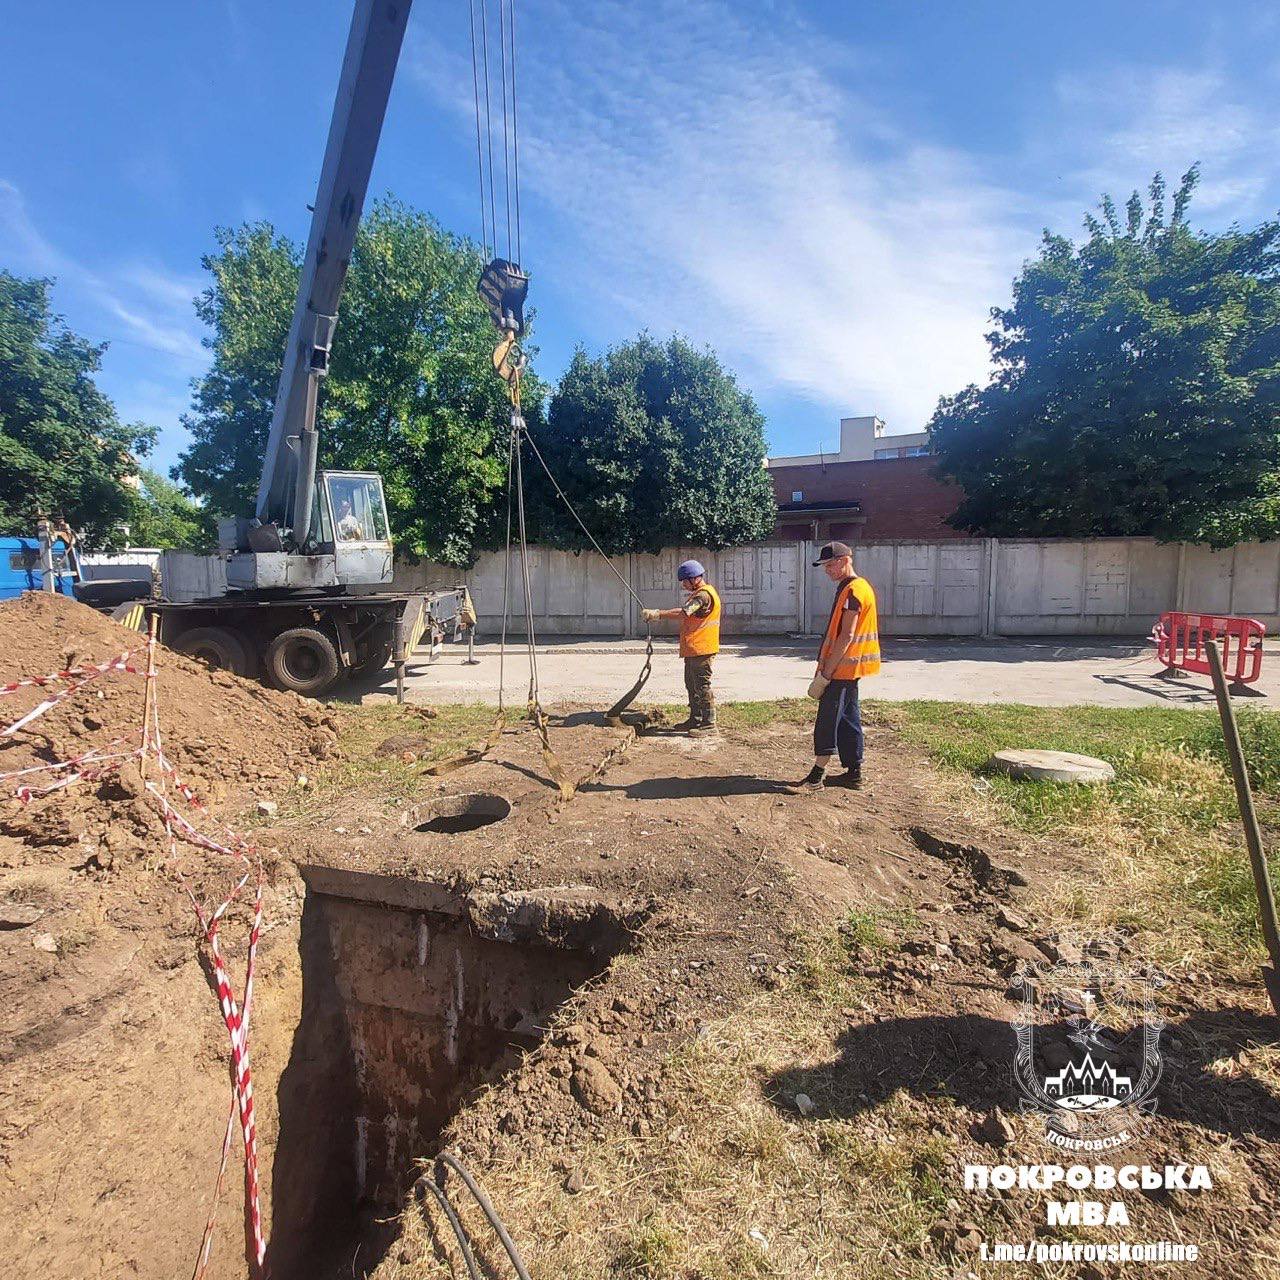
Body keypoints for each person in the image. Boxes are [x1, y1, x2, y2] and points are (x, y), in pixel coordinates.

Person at [800, 541, 880, 790]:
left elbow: (846, 635)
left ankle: (816, 776)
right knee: (848, 718)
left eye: (831, 564)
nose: (827, 570)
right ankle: (853, 772)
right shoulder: (857, 587)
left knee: (829, 719)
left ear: (846, 561)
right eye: (825, 566)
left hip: (841, 669)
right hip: (849, 668)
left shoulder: (854, 591)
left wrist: (826, 673)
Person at [642, 559, 721, 736]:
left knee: (702, 686)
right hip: (694, 649)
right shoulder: (700, 593)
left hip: (702, 649)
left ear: (694, 578)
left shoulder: (703, 596)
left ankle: (709, 725)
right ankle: (696, 719)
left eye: (684, 581)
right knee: (691, 685)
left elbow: (684, 612)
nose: (683, 585)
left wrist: (657, 614)